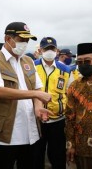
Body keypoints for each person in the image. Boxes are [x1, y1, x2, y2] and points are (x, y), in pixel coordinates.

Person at [0, 22, 52, 169]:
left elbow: (37, 86)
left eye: (27, 41)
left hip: (31, 133)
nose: (25, 44)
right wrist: (35, 93)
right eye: (22, 40)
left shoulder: (28, 61)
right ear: (8, 39)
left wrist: (38, 108)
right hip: (6, 136)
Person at [33, 37, 71, 169]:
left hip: (58, 120)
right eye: (46, 49)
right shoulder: (32, 66)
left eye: (52, 48)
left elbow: (68, 92)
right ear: (40, 50)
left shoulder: (65, 69)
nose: (49, 51)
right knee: (36, 155)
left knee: (58, 155)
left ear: (57, 50)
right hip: (36, 120)